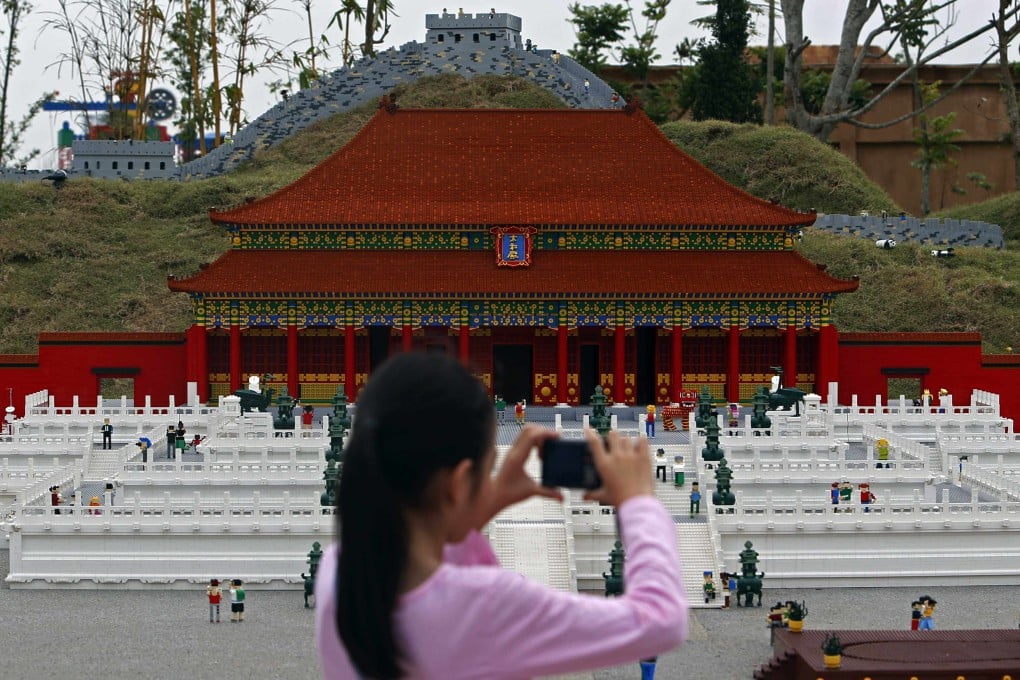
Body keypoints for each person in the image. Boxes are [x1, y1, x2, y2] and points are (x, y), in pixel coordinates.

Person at [315, 353, 688, 680]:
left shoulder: (339, 571)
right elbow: (660, 622)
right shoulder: (489, 606)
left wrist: (486, 500)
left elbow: (422, 565)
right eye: (487, 469)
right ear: (458, 484)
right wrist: (638, 501)